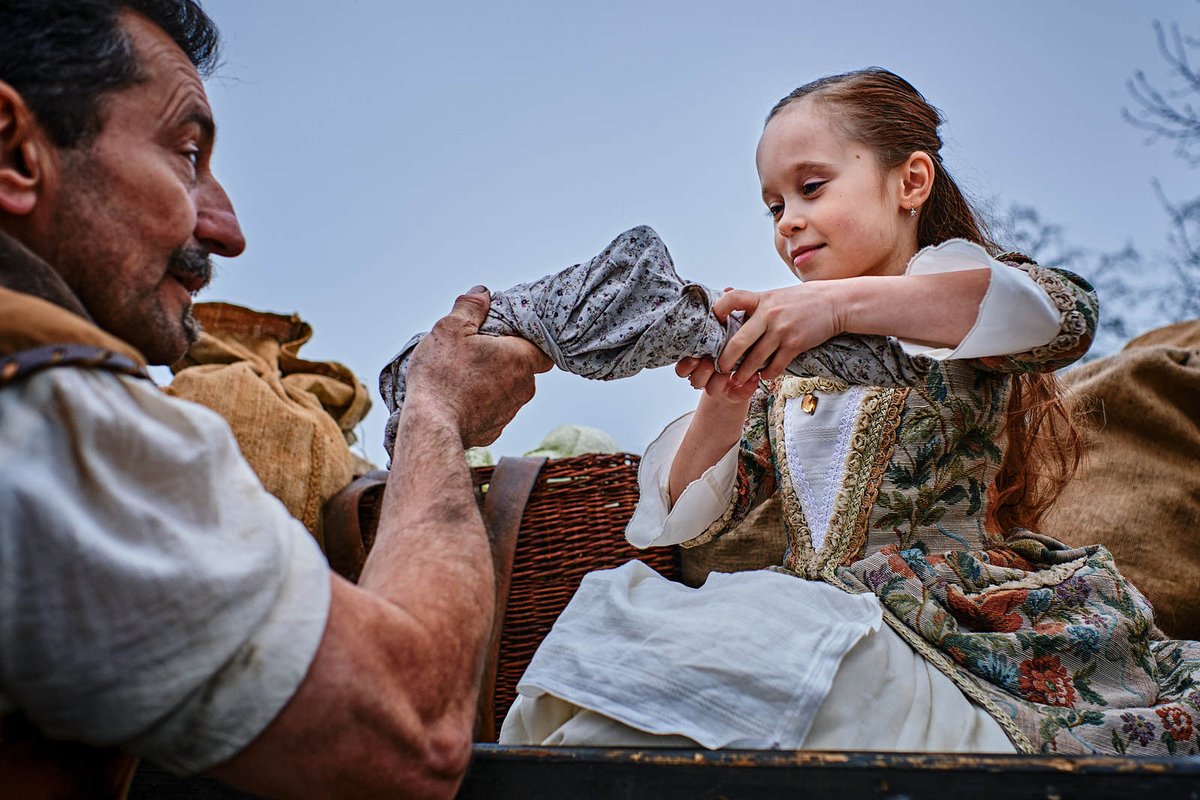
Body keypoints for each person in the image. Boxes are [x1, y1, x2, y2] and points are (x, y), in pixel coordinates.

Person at [501, 68, 1200, 757]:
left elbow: (1064, 314)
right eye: (774, 206)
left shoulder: (956, 309)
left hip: (940, 626)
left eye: (811, 187)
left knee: (721, 649)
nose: (790, 221)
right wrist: (728, 396)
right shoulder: (790, 367)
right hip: (813, 607)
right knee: (619, 629)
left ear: (911, 183)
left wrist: (836, 306)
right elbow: (689, 512)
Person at [0, 1, 549, 797]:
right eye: (187, 155)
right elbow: (414, 729)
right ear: (16, 154)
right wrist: (436, 413)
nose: (226, 229)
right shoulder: (57, 420)